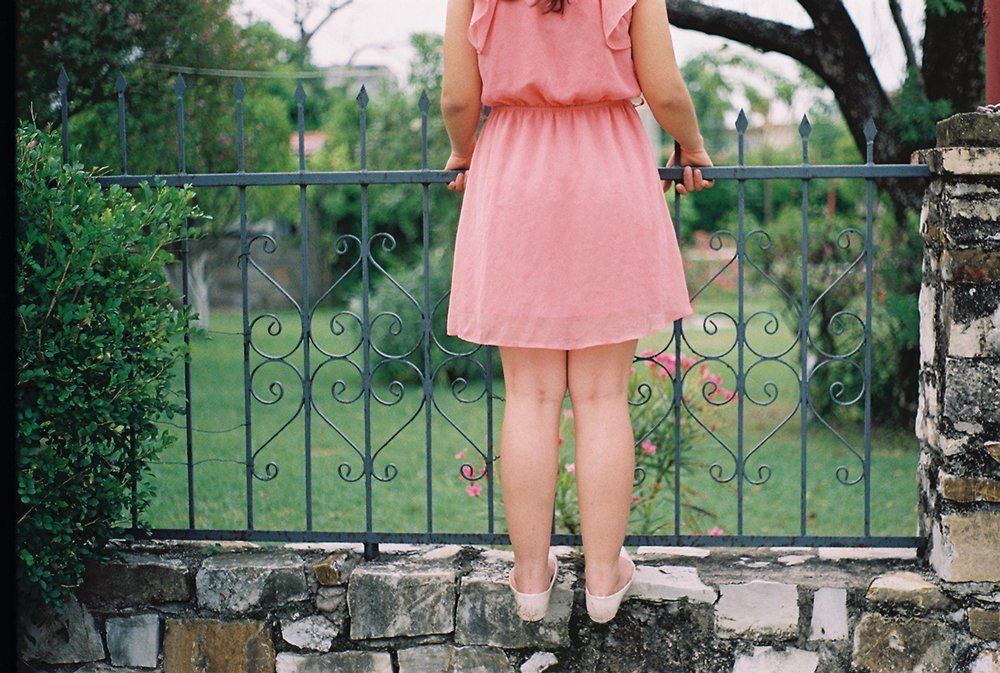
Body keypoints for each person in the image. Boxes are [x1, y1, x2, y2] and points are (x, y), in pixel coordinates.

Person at [440, 0, 715, 623]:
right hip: (607, 170)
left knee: (530, 396)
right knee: (602, 396)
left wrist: (463, 151)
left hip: (513, 172)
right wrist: (691, 145)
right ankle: (603, 579)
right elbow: (665, 88)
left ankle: (530, 579)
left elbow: (458, 98)